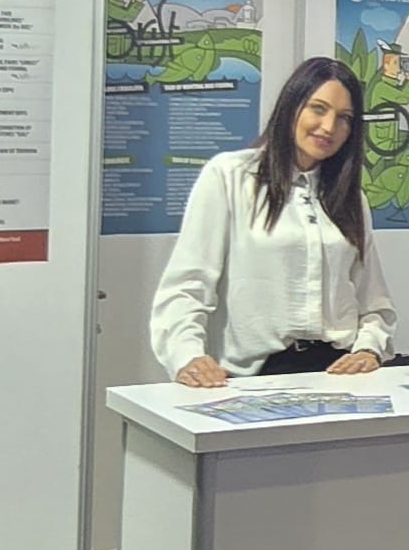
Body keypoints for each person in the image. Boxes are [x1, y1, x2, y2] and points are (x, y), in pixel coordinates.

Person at [151, 57, 396, 387]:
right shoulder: (230, 176)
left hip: (336, 375)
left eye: (344, 118)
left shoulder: (350, 198)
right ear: (291, 106)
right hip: (251, 377)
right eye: (318, 109)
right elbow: (187, 286)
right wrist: (187, 356)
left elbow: (374, 302)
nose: (328, 127)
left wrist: (369, 349)